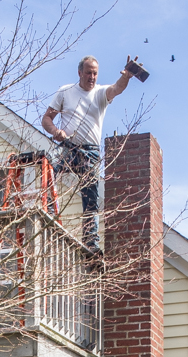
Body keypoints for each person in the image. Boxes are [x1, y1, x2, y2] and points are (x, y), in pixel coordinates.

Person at [42, 55, 140, 252]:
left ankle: (90, 240)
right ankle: (50, 211)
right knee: (49, 166)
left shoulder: (100, 93)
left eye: (95, 73)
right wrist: (55, 132)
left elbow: (117, 88)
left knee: (91, 196)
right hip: (68, 147)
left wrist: (126, 77)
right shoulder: (65, 92)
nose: (92, 77)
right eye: (88, 73)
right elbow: (47, 118)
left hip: (90, 152)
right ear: (80, 73)